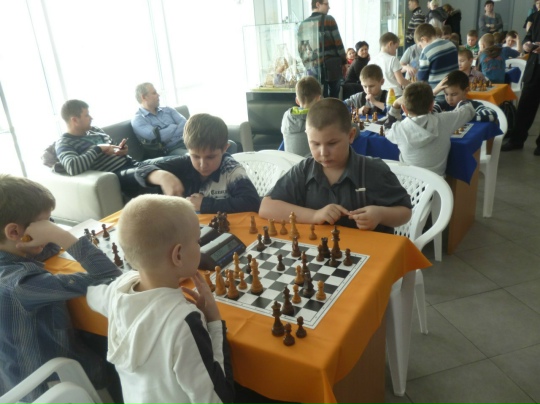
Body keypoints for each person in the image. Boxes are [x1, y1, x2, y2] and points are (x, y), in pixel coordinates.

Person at [86, 194, 234, 404]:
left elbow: (92, 296)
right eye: (197, 241)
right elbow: (219, 399)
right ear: (178, 256)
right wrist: (214, 322)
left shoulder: (117, 290)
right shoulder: (184, 322)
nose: (199, 246)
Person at [0, 175, 122, 401]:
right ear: (15, 233)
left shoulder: (8, 258)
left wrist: (44, 238)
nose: (50, 228)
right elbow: (110, 277)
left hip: (10, 380)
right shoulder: (22, 284)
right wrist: (61, 236)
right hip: (52, 385)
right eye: (45, 223)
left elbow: (47, 250)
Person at [259, 98, 412, 234]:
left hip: (369, 252)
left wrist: (380, 215)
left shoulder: (374, 170)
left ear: (351, 135)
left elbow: (405, 212)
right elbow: (266, 207)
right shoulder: (304, 170)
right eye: (315, 144)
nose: (323, 152)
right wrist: (314, 215)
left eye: (332, 143)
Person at [134, 113, 260, 213]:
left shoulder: (232, 171)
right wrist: (163, 177)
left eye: (210, 157)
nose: (202, 164)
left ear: (224, 149)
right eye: (195, 156)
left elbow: (252, 202)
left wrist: (205, 204)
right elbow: (140, 169)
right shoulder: (185, 163)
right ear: (188, 150)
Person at [55, 99, 159, 197]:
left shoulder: (95, 130)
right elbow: (72, 167)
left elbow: (113, 148)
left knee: (168, 163)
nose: (91, 118)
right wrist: (98, 148)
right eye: (87, 115)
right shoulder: (64, 143)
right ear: (75, 120)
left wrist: (120, 150)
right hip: (119, 174)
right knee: (159, 175)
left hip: (134, 164)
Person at [385, 82, 475, 175]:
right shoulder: (444, 120)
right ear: (432, 105)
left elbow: (387, 127)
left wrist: (395, 104)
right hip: (437, 183)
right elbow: (469, 111)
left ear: (404, 108)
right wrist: (462, 98)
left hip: (410, 182)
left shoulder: (399, 129)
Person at [501, 11, 540, 154]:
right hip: (534, 68)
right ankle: (516, 140)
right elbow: (528, 37)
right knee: (525, 106)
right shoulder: (537, 16)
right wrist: (526, 45)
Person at [298, 0, 346, 98]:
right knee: (334, 97)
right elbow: (338, 43)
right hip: (331, 65)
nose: (329, 7)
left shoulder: (303, 25)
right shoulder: (329, 20)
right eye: (326, 4)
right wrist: (344, 61)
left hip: (313, 67)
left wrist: (307, 65)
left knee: (317, 96)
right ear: (317, 4)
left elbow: (301, 49)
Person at [131, 83, 188, 156]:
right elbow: (158, 137)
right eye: (154, 93)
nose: (158, 95)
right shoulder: (138, 119)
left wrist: (168, 134)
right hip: (171, 150)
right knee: (192, 156)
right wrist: (174, 126)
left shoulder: (168, 109)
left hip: (189, 141)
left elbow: (186, 124)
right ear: (144, 97)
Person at [432, 70, 498, 122]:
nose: (449, 99)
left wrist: (464, 117)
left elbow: (492, 114)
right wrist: (434, 92)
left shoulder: (472, 105)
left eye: (454, 94)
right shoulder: (442, 105)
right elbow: (428, 115)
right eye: (446, 94)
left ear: (466, 91)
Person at [415, 23, 458, 99]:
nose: (421, 48)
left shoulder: (426, 51)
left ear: (424, 39)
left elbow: (422, 78)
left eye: (420, 45)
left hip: (437, 93)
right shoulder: (451, 45)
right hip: (455, 91)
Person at [282, 76, 322, 157]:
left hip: (289, 163)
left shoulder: (287, 116)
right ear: (318, 99)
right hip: (310, 164)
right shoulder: (319, 117)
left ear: (297, 101)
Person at [369, 32, 410, 96]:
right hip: (394, 94)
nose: (396, 51)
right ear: (390, 44)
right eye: (396, 48)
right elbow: (401, 81)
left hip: (380, 94)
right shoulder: (393, 59)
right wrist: (414, 84)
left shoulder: (371, 61)